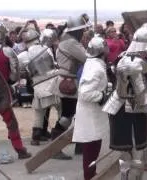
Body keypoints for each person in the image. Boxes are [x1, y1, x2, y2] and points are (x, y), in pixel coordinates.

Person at [103, 26, 147, 179]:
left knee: (128, 155)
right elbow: (144, 98)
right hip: (130, 111)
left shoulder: (124, 56)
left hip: (120, 107)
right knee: (137, 156)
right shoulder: (136, 63)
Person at [0, 21, 32, 159]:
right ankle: (20, 150)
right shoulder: (7, 51)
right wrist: (8, 82)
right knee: (11, 123)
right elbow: (13, 76)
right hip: (1, 94)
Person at [49, 15, 91, 159]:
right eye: (81, 30)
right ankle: (54, 147)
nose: (82, 32)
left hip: (69, 79)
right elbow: (87, 58)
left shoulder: (68, 41)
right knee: (67, 115)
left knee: (75, 113)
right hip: (68, 81)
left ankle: (79, 145)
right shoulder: (71, 43)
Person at [72, 36, 110, 180]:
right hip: (91, 114)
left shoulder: (94, 63)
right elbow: (85, 93)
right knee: (91, 150)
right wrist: (102, 97)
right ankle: (90, 177)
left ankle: (91, 175)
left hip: (93, 113)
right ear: (102, 50)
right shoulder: (95, 67)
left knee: (93, 149)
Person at [17, 29, 61, 147]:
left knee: (39, 112)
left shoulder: (23, 55)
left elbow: (20, 71)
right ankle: (61, 134)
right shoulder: (47, 50)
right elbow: (54, 65)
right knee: (60, 109)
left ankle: (35, 137)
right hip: (53, 83)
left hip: (38, 85)